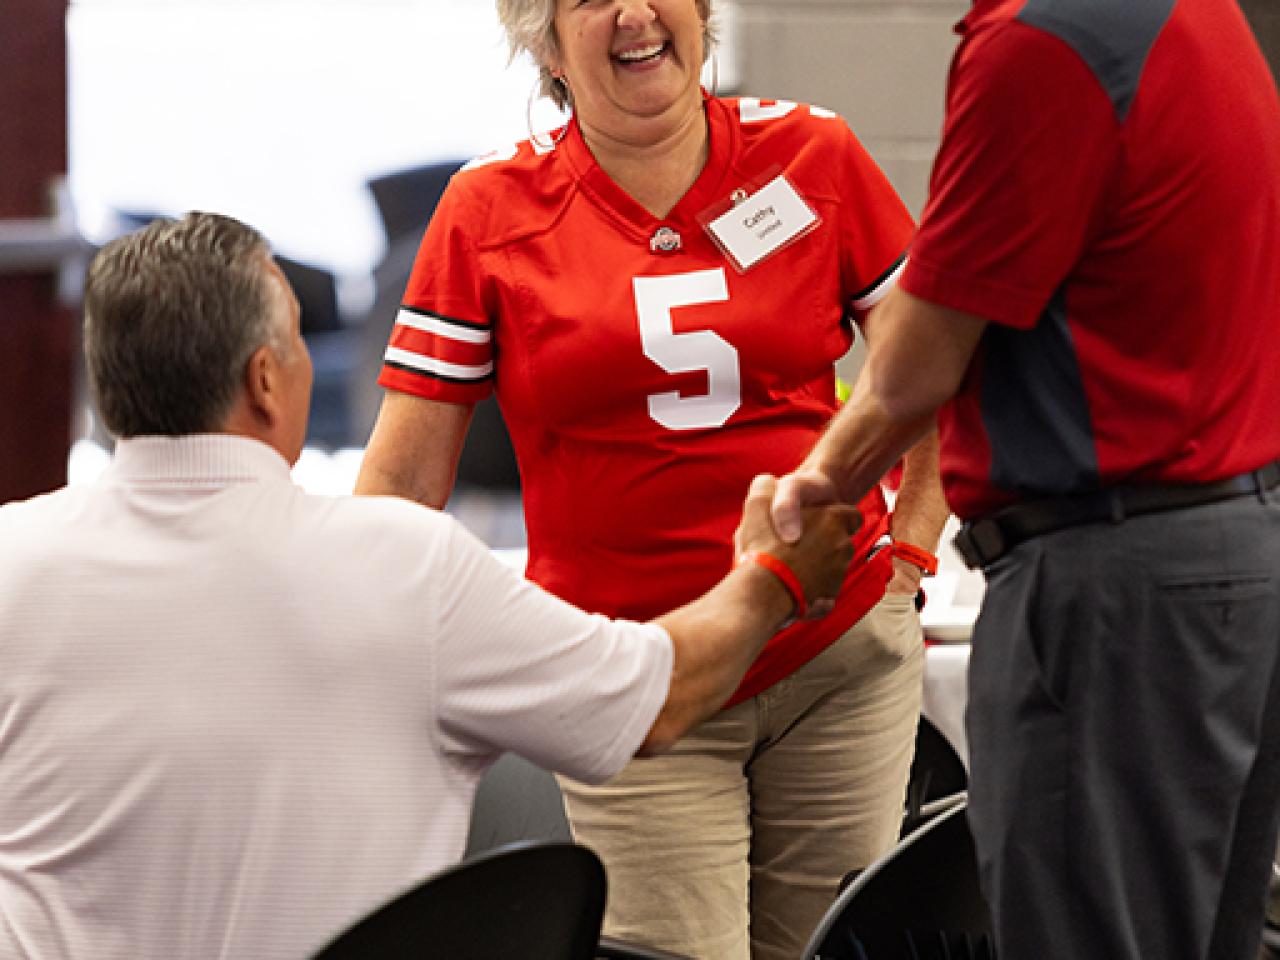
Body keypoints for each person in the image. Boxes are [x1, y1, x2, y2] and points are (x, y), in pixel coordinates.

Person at [0, 212, 860, 960]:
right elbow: (660, 697)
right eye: (297, 339)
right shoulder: (403, 566)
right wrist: (779, 576)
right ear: (265, 380)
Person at [354, 2, 949, 957]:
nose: (634, 10)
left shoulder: (813, 154)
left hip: (835, 655)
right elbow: (402, 482)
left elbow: (938, 364)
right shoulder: (489, 208)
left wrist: (912, 556)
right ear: (544, 42)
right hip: (637, 685)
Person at [771, 2, 1280, 958]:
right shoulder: (1189, 14)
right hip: (1222, 552)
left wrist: (811, 487)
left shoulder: (1043, 42)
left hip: (1113, 587)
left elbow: (919, 362)